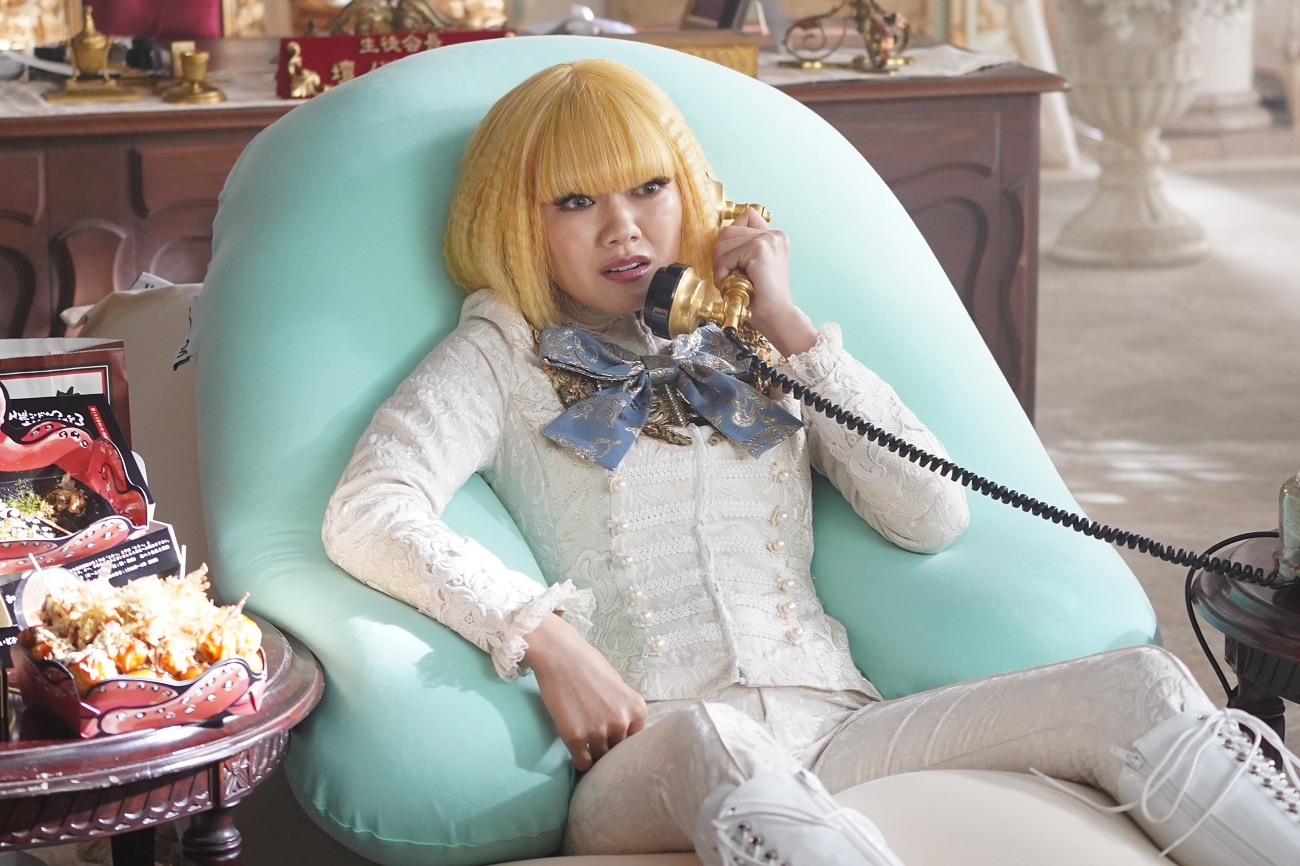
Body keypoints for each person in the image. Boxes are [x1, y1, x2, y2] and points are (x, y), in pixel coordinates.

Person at [322, 58, 1300, 866]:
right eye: (575, 201)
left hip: (840, 726)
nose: (623, 227)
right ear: (518, 220)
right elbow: (370, 505)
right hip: (660, 750)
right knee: (718, 738)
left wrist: (787, 325)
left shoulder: (751, 340)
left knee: (1141, 683)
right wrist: (544, 637)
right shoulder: (500, 354)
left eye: (649, 188)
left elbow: (931, 513)